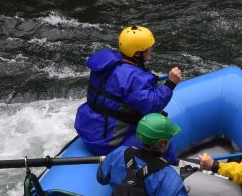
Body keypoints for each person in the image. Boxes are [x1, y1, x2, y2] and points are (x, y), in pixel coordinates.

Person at [74, 25, 183, 162]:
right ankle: (172, 169)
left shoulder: (106, 64)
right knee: (161, 141)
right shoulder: (134, 78)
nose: (151, 50)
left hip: (88, 130)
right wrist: (170, 83)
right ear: (137, 54)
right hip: (107, 142)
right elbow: (151, 105)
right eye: (148, 48)